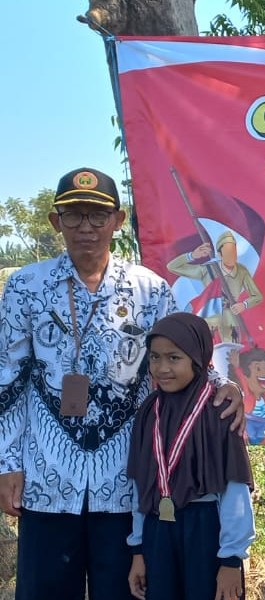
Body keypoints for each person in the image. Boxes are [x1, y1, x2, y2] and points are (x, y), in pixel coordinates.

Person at [0, 167, 243, 600]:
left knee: (123, 592)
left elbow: (181, 354)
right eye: (73, 215)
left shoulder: (149, 289)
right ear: (56, 221)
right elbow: (8, 377)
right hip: (47, 478)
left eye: (98, 215)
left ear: (118, 219)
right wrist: (6, 464)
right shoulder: (26, 287)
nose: (86, 227)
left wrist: (225, 385)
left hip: (126, 482)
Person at [127, 312, 255, 600]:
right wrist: (138, 548)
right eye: (155, 357)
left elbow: (235, 491)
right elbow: (141, 486)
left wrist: (231, 559)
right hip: (158, 530)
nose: (162, 368)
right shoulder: (149, 411)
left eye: (174, 358)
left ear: (197, 358)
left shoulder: (220, 409)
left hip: (206, 530)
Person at [167, 230, 263, 343]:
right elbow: (172, 267)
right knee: (207, 349)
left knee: (232, 351)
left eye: (233, 251)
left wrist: (244, 304)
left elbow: (257, 296)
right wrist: (192, 256)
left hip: (231, 319)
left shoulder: (241, 271)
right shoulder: (208, 270)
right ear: (220, 254)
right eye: (227, 251)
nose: (232, 255)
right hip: (209, 317)